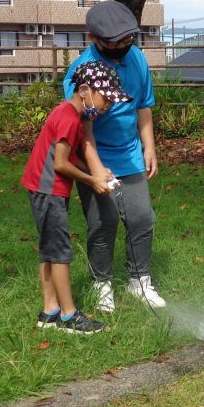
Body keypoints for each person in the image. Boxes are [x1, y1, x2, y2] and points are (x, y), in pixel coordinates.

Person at [62, 0, 165, 312]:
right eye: (115, 42)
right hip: (93, 155)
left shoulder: (137, 58)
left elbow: (143, 106)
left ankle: (139, 282)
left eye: (128, 39)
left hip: (130, 154)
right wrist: (96, 170)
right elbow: (82, 130)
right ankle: (102, 284)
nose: (123, 46)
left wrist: (149, 147)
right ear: (93, 38)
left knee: (141, 217)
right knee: (102, 222)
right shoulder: (81, 72)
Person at [21, 61, 132, 334]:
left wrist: (97, 172)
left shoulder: (69, 114)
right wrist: (91, 180)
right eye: (106, 97)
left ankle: (50, 311)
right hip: (49, 189)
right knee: (60, 252)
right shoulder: (70, 118)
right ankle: (69, 316)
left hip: (44, 188)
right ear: (84, 91)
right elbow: (60, 164)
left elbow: (70, 157)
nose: (108, 105)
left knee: (49, 250)